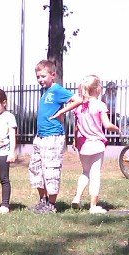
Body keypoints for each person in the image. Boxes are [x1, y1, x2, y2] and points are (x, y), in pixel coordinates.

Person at [51, 74, 119, 214]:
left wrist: (75, 141)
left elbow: (76, 127)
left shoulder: (78, 107)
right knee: (95, 174)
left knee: (85, 172)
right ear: (97, 89)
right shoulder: (100, 105)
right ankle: (93, 206)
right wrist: (117, 129)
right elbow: (107, 125)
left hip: (83, 145)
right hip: (96, 144)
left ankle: (77, 197)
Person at [29, 59, 74, 213]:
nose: (40, 80)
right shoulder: (44, 92)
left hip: (53, 136)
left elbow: (78, 100)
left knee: (51, 170)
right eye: (38, 77)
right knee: (36, 169)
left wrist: (61, 112)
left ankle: (51, 205)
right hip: (40, 136)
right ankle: (43, 200)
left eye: (43, 76)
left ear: (53, 75)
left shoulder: (57, 90)